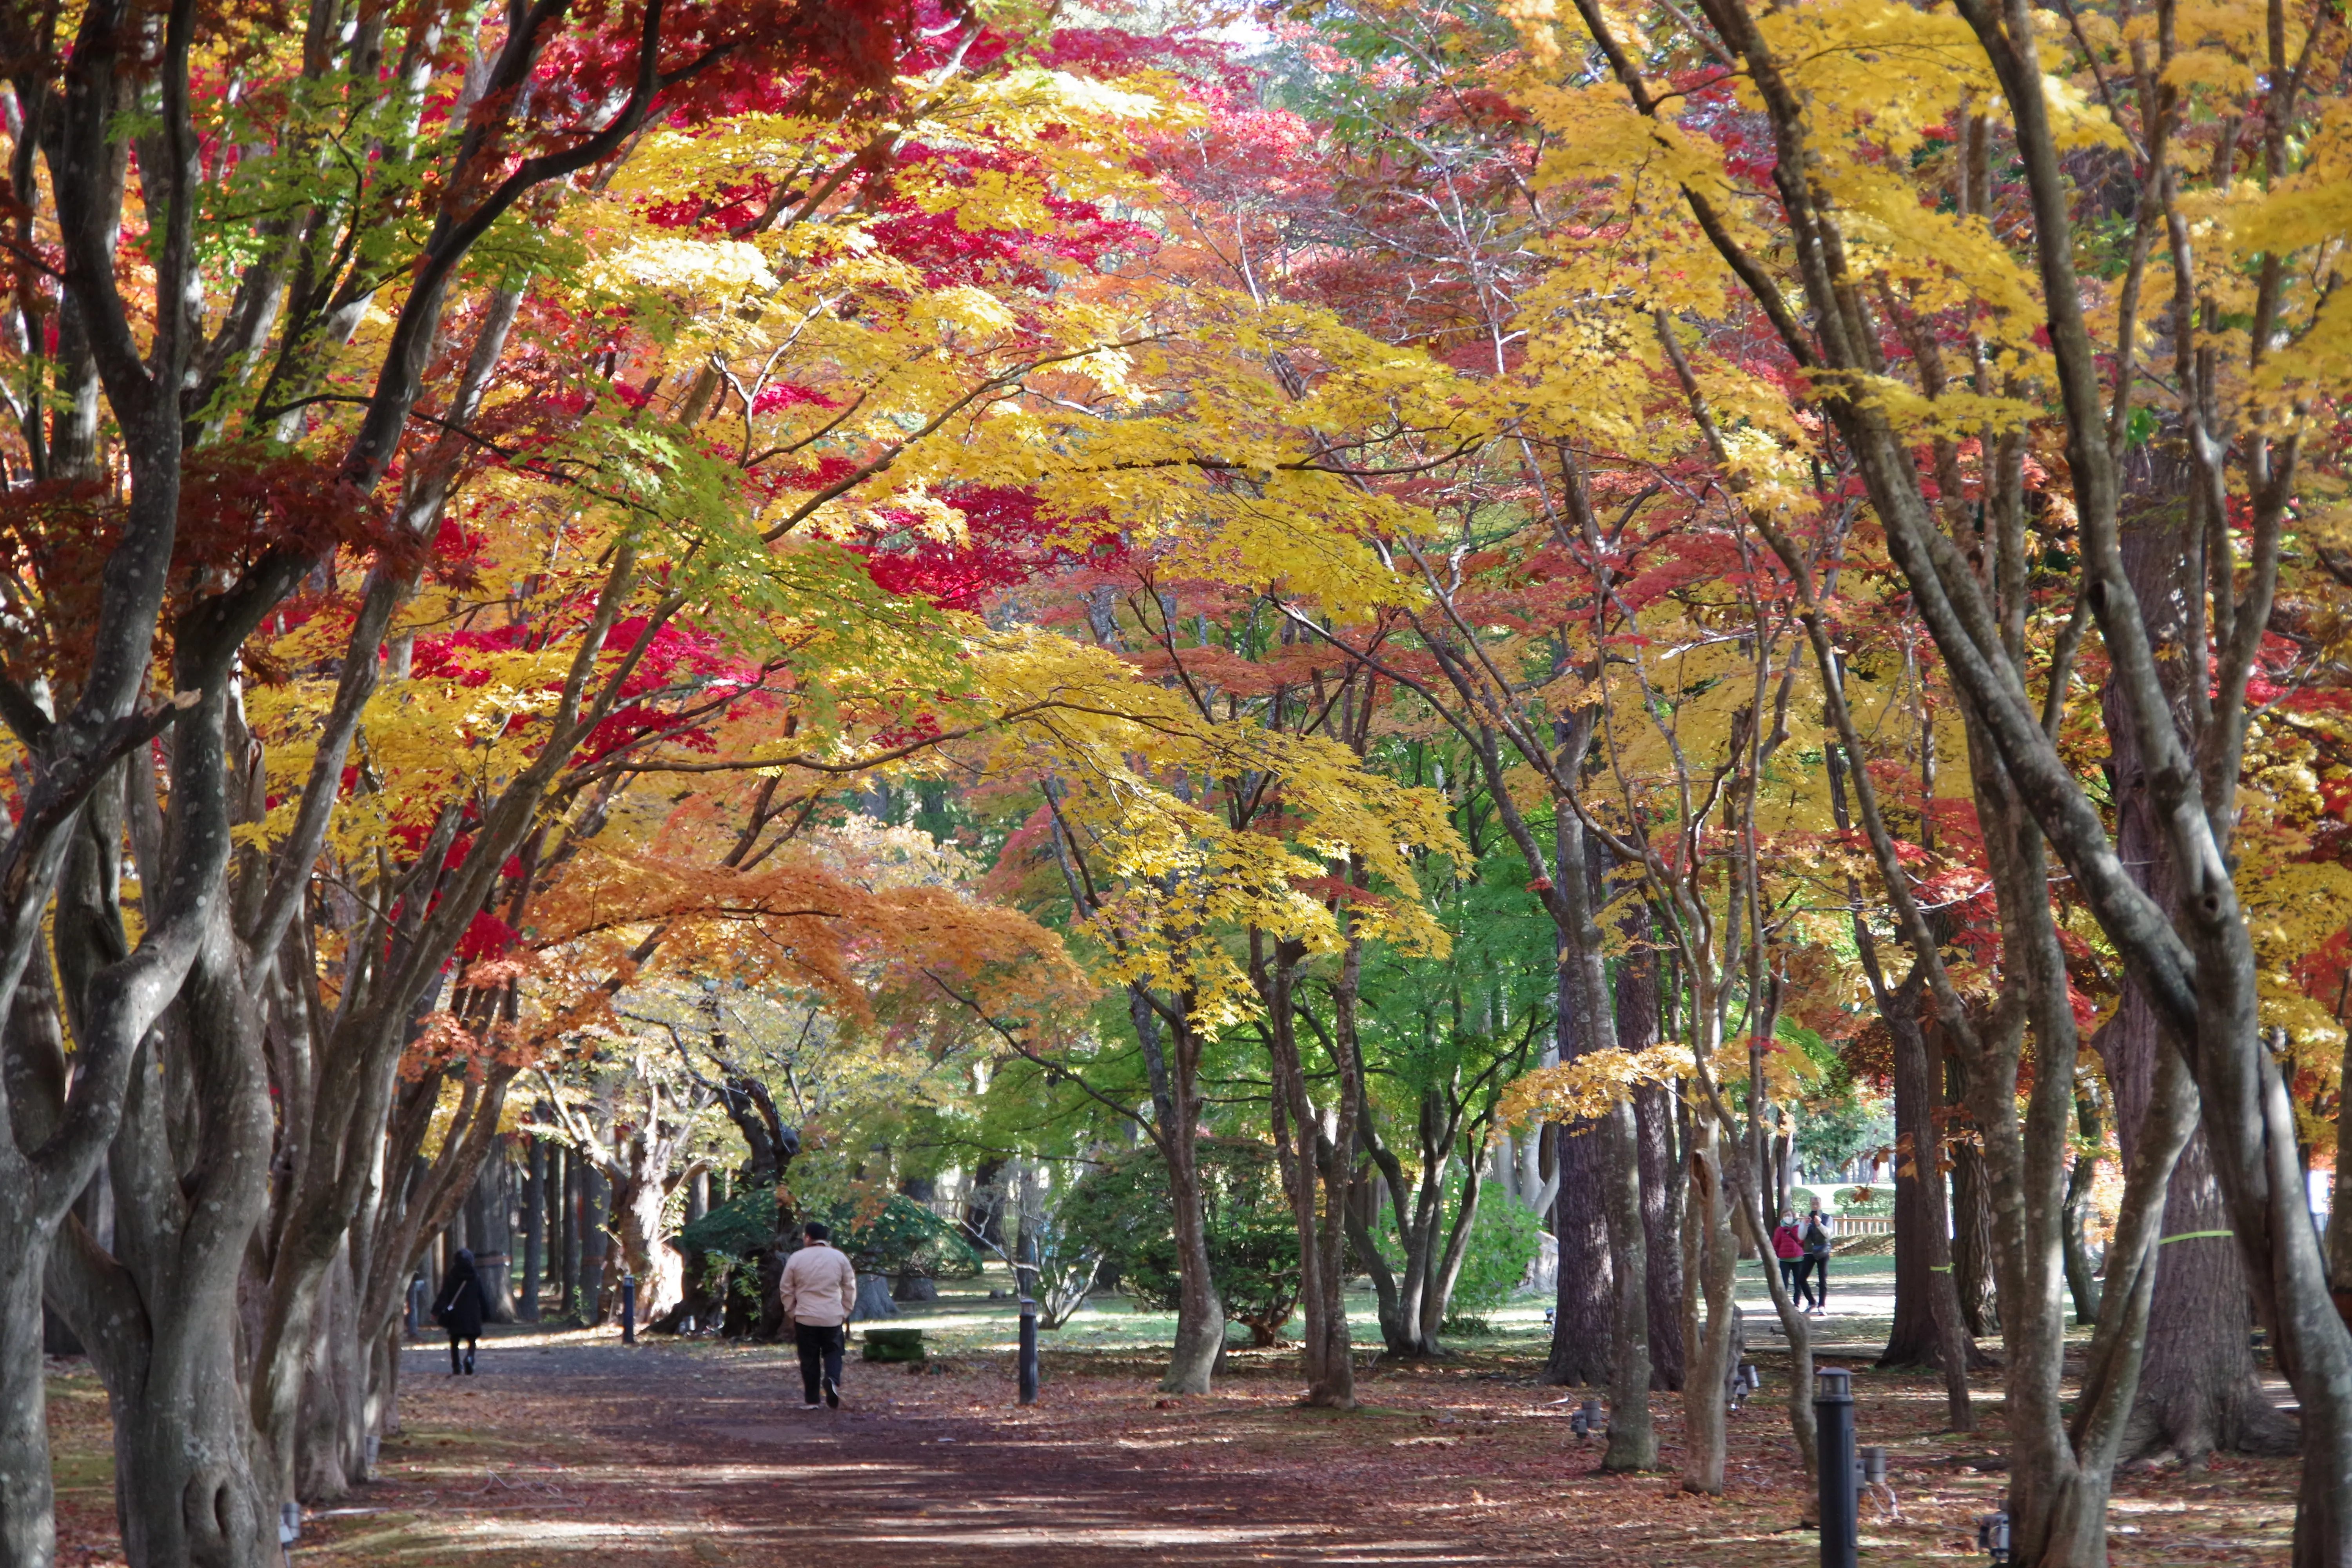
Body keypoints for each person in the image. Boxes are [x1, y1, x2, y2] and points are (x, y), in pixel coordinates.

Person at [778, 1220, 857, 1410]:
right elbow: (850, 1286)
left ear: (807, 1238)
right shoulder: (839, 1258)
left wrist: (792, 1311)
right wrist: (846, 1310)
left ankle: (812, 1400)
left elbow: (786, 1288)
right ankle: (832, 1378)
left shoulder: (796, 1258)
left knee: (809, 1358)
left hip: (806, 1317)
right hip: (832, 1316)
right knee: (834, 1351)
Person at [433, 1247, 485, 1375]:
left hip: (455, 1315)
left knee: (455, 1341)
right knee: (472, 1340)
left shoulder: (451, 1276)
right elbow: (482, 1296)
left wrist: (436, 1310)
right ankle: (470, 1358)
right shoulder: (475, 1276)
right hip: (472, 1314)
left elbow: (443, 1295)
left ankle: (456, 1365)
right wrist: (486, 1313)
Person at [1802, 1203, 1834, 1314]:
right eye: (1813, 1203)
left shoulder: (1827, 1218)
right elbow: (1801, 1236)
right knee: (1801, 1278)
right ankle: (1811, 1302)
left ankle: (1822, 1306)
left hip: (1823, 1251)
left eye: (1817, 1203)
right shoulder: (1807, 1218)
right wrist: (1805, 1225)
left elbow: (1828, 1235)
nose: (1815, 1206)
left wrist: (1820, 1224)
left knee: (1823, 1280)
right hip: (1809, 1252)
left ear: (1820, 1204)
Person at [1771, 1212, 1807, 1305]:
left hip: (1798, 1259)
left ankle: (1797, 1303)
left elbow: (1803, 1242)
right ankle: (1784, 1303)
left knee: (1798, 1283)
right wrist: (1778, 1255)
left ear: (1793, 1216)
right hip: (1784, 1260)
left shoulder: (1800, 1228)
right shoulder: (1780, 1230)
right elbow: (1775, 1245)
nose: (1788, 1217)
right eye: (1785, 1215)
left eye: (1789, 1215)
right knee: (1784, 1283)